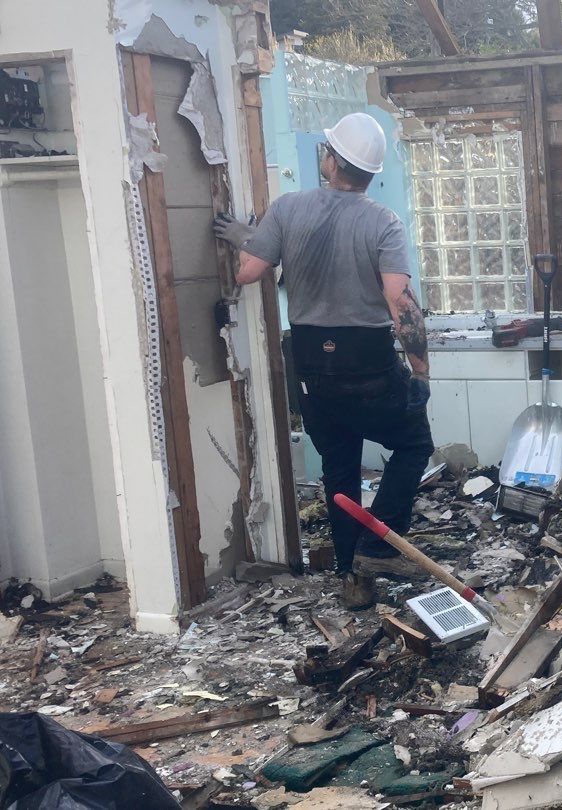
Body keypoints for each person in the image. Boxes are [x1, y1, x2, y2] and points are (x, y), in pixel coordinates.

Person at [213, 112, 432, 608]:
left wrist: (248, 236)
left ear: (331, 161)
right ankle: (377, 548)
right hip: (368, 362)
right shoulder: (383, 222)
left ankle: (352, 578)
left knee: (339, 468)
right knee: (415, 442)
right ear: (371, 173)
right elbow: (400, 302)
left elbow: (249, 272)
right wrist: (420, 373)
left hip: (311, 363)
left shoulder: (288, 209)